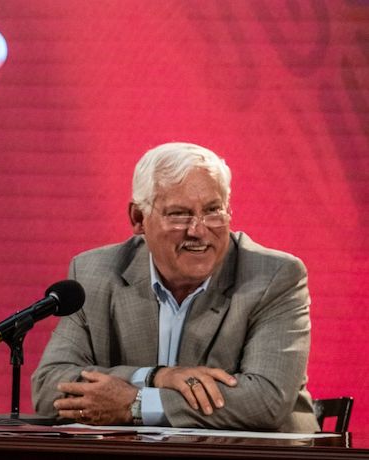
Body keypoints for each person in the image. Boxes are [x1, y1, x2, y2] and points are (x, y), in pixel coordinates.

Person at [31, 142, 318, 432]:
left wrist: (137, 404)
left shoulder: (274, 277)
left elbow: (264, 401)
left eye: (213, 210)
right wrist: (155, 376)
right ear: (139, 219)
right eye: (179, 214)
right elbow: (49, 388)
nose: (198, 230)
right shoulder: (95, 273)